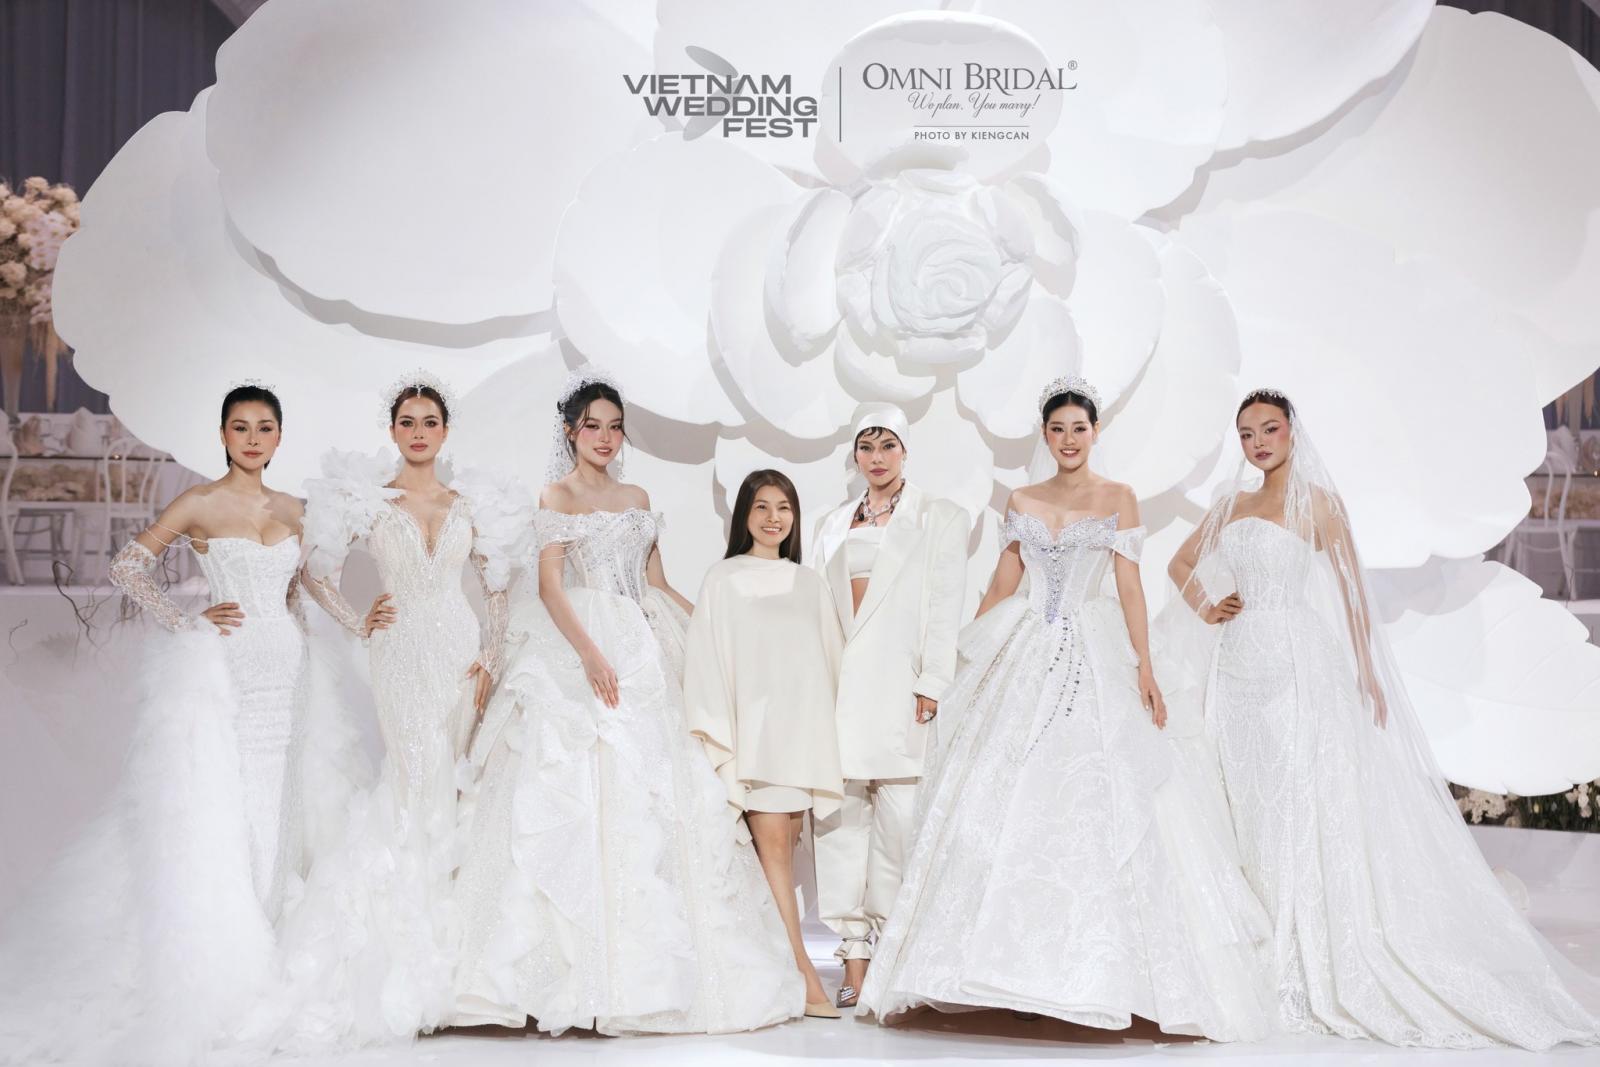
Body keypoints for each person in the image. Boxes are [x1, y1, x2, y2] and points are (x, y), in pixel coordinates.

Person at [1165, 388, 1600, 1049]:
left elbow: (1351, 590)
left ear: (1291, 432)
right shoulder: (1233, 503)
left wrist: (1367, 668)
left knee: (1297, 799)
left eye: (1269, 429)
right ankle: (1264, 944)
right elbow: (1180, 562)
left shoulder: (1318, 503)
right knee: (1247, 800)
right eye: (1247, 434)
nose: (1258, 443)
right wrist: (1205, 604)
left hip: (1298, 666)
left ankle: (1308, 946)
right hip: (1238, 670)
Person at [859, 376, 1273, 1042]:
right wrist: (968, 651)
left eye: (1079, 428)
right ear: (1046, 436)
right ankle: (1001, 968)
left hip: (1093, 649)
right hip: (1025, 648)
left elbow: (1129, 586)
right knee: (1003, 793)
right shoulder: (1024, 499)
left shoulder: (1118, 497)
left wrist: (1144, 665)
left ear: (1095, 432)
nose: (1069, 439)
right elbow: (1006, 577)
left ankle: (1093, 973)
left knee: (1094, 792)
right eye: (1058, 429)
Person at [0, 383, 361, 1065]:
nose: (252, 439)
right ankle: (234, 949)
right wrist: (186, 619)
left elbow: (310, 586)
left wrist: (361, 624)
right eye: (240, 427)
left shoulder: (296, 509)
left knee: (285, 796)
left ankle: (277, 936)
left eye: (264, 427)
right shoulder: (198, 502)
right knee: (234, 799)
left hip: (291, 667)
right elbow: (128, 566)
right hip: (231, 670)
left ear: (280, 437)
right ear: (222, 435)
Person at [451, 366, 803, 1035]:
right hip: (581, 641)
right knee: (569, 784)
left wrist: (708, 622)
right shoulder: (555, 495)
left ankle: (653, 973)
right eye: (593, 426)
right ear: (570, 431)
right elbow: (551, 586)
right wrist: (588, 653)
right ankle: (561, 972)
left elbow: (654, 582)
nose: (605, 437)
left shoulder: (637, 495)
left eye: (615, 427)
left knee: (658, 787)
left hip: (641, 643)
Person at [270, 372, 528, 1052]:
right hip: (400, 651)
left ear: (445, 431)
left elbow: (496, 584)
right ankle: (410, 956)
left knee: (455, 781)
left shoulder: (468, 502)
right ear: (391, 431)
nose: (418, 432)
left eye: (429, 421)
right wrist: (359, 620)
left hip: (460, 653)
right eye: (407, 421)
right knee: (415, 778)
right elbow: (312, 571)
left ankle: (458, 958)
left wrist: (492, 652)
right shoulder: (370, 501)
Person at [810, 404, 969, 1008]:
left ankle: (894, 950)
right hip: (838, 688)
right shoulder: (831, 523)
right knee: (839, 823)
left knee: (899, 827)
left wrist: (933, 680)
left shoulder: (938, 516)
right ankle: (854, 958)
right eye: (866, 447)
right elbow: (816, 608)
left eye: (887, 446)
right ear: (855, 455)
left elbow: (945, 602)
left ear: (905, 451)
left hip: (900, 687)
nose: (876, 458)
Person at [685, 469, 845, 1018]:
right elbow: (708, 659)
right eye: (762, 507)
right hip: (753, 741)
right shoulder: (723, 578)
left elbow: (830, 662)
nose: (774, 518)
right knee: (773, 852)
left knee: (782, 855)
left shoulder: (809, 583)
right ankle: (803, 974)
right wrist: (723, 735)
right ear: (744, 516)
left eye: (784, 508)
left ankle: (774, 971)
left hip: (800, 737)